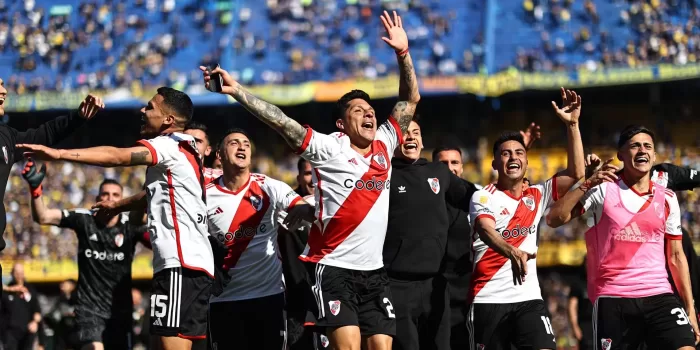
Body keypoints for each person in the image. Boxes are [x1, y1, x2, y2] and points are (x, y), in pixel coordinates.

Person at [200, 10, 419, 350]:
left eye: (370, 109)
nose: (369, 113)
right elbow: (282, 122)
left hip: (374, 272)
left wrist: (403, 54)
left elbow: (409, 100)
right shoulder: (330, 146)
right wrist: (238, 92)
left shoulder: (385, 143)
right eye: (357, 110)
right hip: (333, 269)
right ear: (342, 124)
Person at [17, 87, 215, 350]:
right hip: (193, 264)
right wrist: (117, 206)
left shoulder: (168, 145)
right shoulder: (186, 153)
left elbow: (117, 157)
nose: (142, 111)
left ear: (168, 120)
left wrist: (58, 154)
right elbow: (152, 195)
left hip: (179, 264)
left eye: (149, 107)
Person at [547, 125, 700, 349]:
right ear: (620, 155)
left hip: (660, 295)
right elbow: (554, 218)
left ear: (654, 155)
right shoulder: (603, 190)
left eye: (647, 146)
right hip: (614, 298)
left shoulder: (667, 198)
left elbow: (676, 257)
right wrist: (588, 183)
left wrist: (690, 308)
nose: (642, 151)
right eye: (634, 146)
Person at [467, 88, 585, 349]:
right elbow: (486, 230)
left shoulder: (538, 194)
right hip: (488, 299)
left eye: (519, 153)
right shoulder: (482, 197)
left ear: (526, 161)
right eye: (506, 153)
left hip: (529, 299)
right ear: (495, 163)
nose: (513, 157)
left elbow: (577, 172)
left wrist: (573, 125)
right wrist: (513, 252)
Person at [22, 157, 149, 350]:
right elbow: (43, 216)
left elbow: (157, 243)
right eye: (105, 194)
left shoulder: (130, 225)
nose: (110, 199)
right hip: (89, 310)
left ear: (122, 200)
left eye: (116, 195)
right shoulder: (84, 219)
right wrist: (36, 191)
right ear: (98, 199)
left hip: (120, 311)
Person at [205, 128, 314, 350]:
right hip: (224, 301)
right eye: (234, 143)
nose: (242, 146)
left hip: (269, 297)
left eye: (246, 143)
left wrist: (305, 210)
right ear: (219, 155)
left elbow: (304, 208)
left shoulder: (270, 186)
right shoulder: (204, 195)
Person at [382, 116, 476, 350]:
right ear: (393, 140)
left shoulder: (439, 173)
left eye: (416, 132)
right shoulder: (382, 175)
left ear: (422, 142)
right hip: (397, 285)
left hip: (436, 284)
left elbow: (475, 198)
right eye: (405, 132)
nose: (411, 136)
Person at [0, 79, 104, 285]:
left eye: (3, 84)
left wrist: (78, 117)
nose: (4, 91)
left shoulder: (6, 136)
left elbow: (42, 136)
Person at [278, 157, 323, 350]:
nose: (312, 179)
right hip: (296, 298)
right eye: (307, 173)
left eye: (316, 173)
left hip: (329, 294)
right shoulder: (283, 208)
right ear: (298, 177)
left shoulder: (336, 204)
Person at [1, 263, 42, 350]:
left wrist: (35, 322)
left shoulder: (30, 289)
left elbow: (37, 311)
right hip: (10, 332)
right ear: (12, 273)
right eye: (17, 273)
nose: (19, 275)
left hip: (27, 332)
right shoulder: (7, 290)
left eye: (21, 273)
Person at [567, 258, 592, 350]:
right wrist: (575, 327)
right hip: (584, 325)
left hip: (599, 324)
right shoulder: (578, 284)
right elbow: (572, 307)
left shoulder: (598, 282)